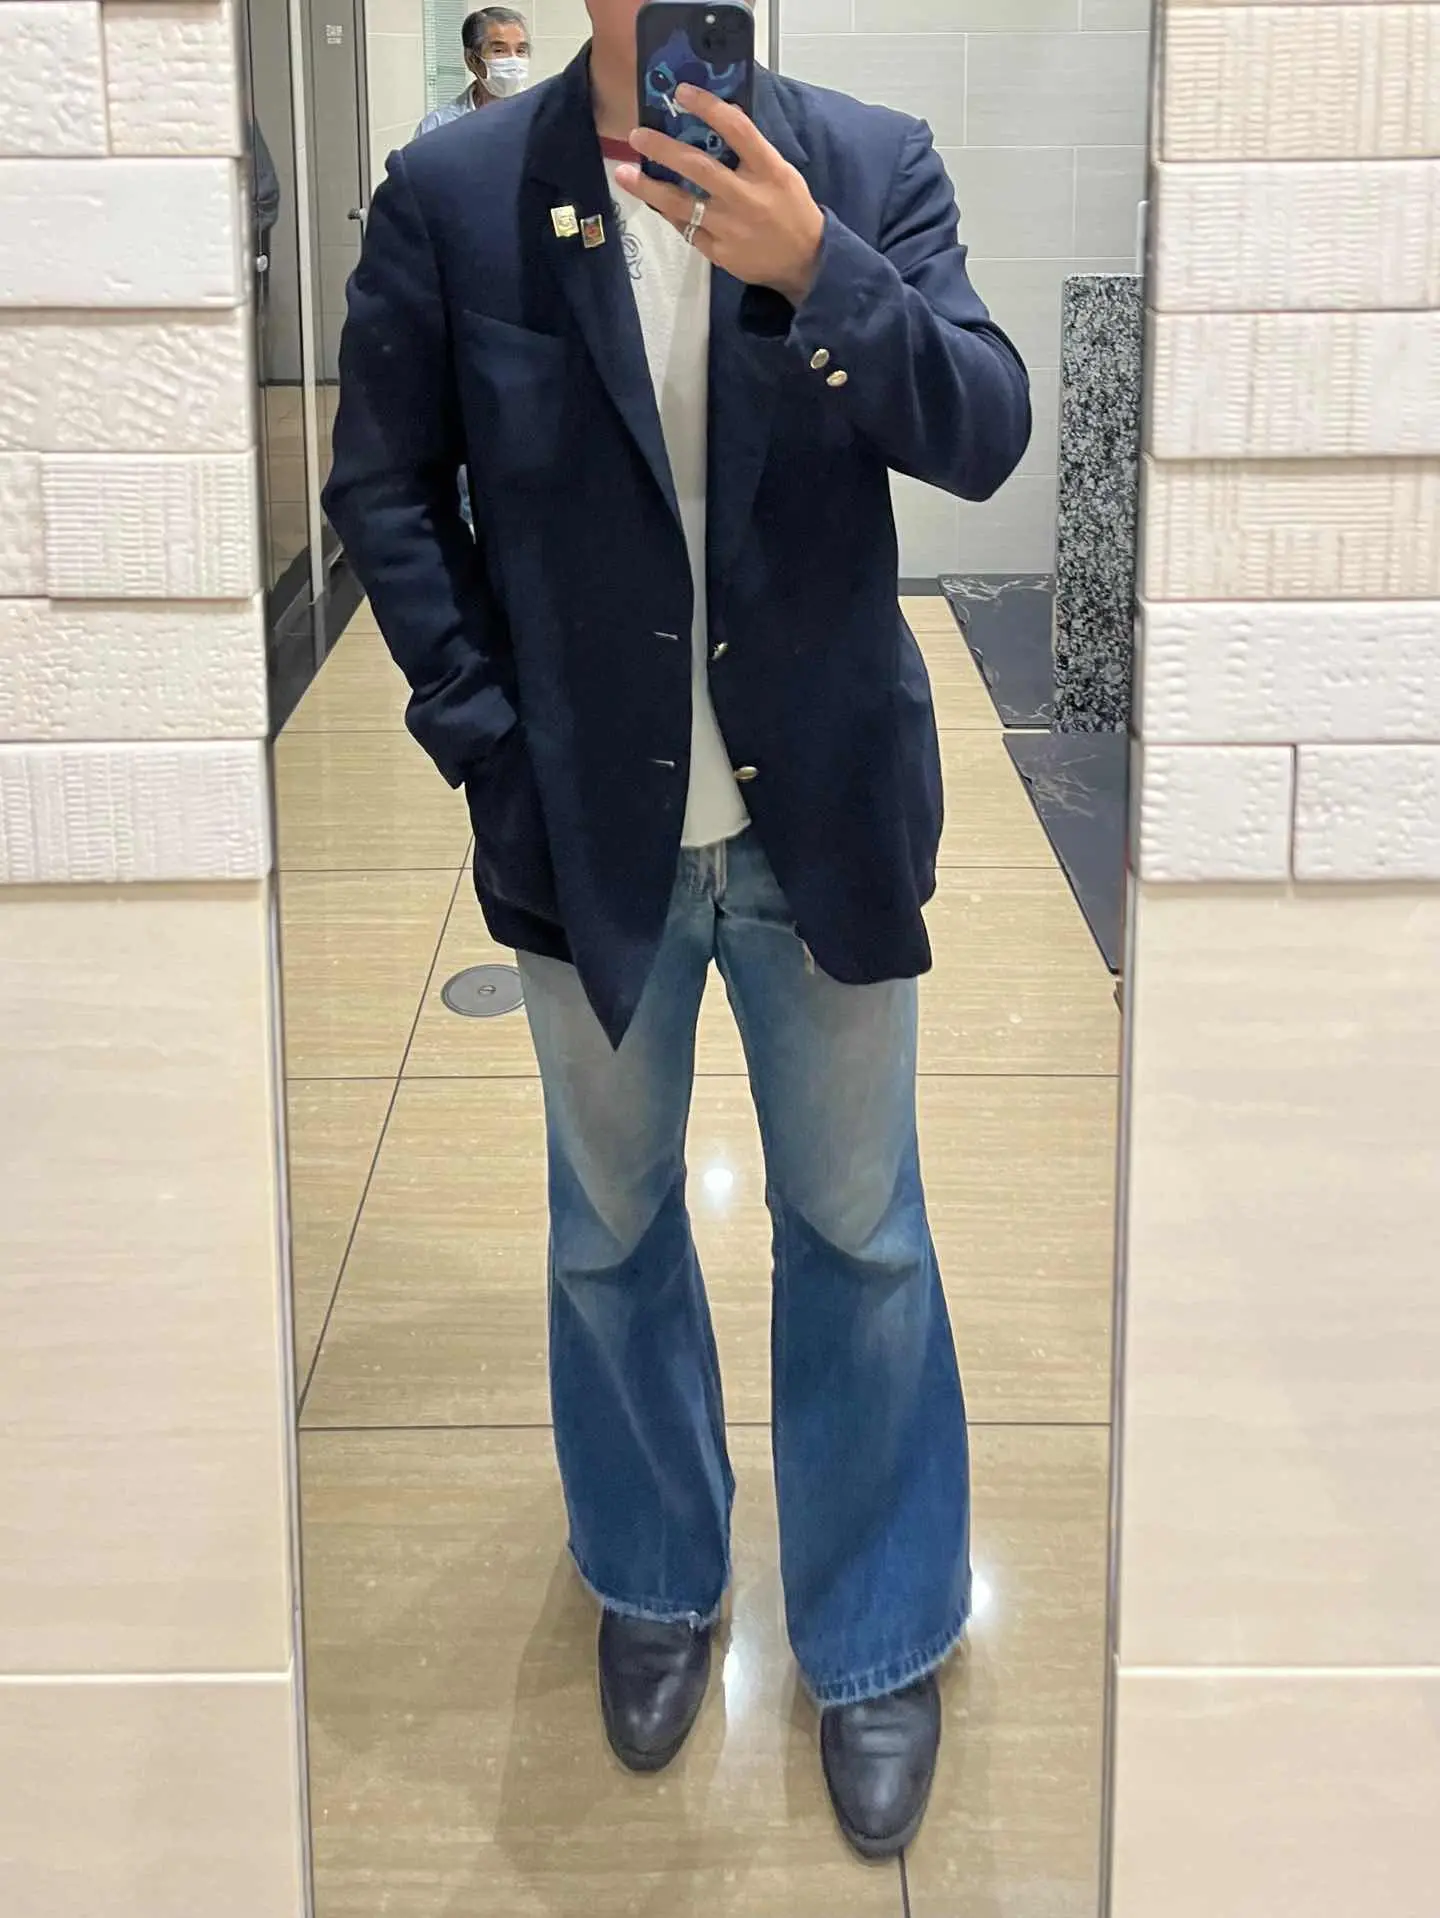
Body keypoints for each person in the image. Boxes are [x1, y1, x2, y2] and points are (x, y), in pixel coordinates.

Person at [324, 0, 1030, 1861]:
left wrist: (823, 274)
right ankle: (654, 1568)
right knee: (609, 1226)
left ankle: (877, 1629)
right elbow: (384, 490)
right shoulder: (461, 194)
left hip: (822, 824)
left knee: (861, 1230)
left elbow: (986, 427)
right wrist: (489, 744)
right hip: (583, 838)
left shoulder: (866, 164)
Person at [414, 6, 530, 138]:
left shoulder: (543, 117)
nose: (513, 60)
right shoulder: (437, 126)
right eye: (499, 50)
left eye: (520, 51)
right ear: (472, 59)